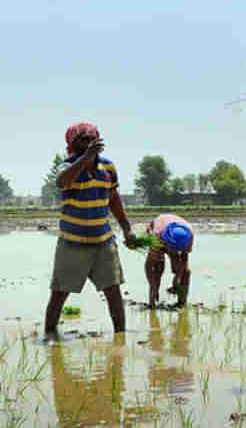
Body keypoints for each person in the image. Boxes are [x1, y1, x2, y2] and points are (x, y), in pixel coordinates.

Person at [45, 122, 134, 336]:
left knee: (113, 291)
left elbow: (113, 199)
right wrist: (85, 159)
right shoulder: (66, 166)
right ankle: (49, 335)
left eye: (90, 139)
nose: (87, 143)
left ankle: (120, 338)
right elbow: (62, 182)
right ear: (72, 145)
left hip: (103, 242)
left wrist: (127, 229)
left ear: (98, 141)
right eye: (81, 140)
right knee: (59, 293)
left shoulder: (108, 168)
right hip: (72, 243)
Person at [144, 214, 194, 307]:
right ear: (166, 243)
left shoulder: (189, 236)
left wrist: (177, 279)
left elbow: (184, 258)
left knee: (185, 272)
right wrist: (153, 286)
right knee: (158, 267)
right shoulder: (156, 238)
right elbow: (148, 266)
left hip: (173, 229)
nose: (174, 252)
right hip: (159, 228)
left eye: (176, 250)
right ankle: (152, 301)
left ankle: (181, 303)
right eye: (172, 249)